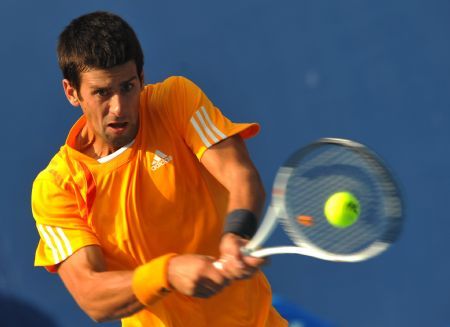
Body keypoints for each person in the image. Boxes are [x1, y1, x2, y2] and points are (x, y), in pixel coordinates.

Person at [31, 11, 287, 326]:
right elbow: (91, 295)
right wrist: (167, 273)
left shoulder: (174, 100)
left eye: (127, 87)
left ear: (141, 76)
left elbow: (239, 174)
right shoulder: (57, 188)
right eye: (102, 92)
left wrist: (236, 234)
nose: (119, 107)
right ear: (72, 92)